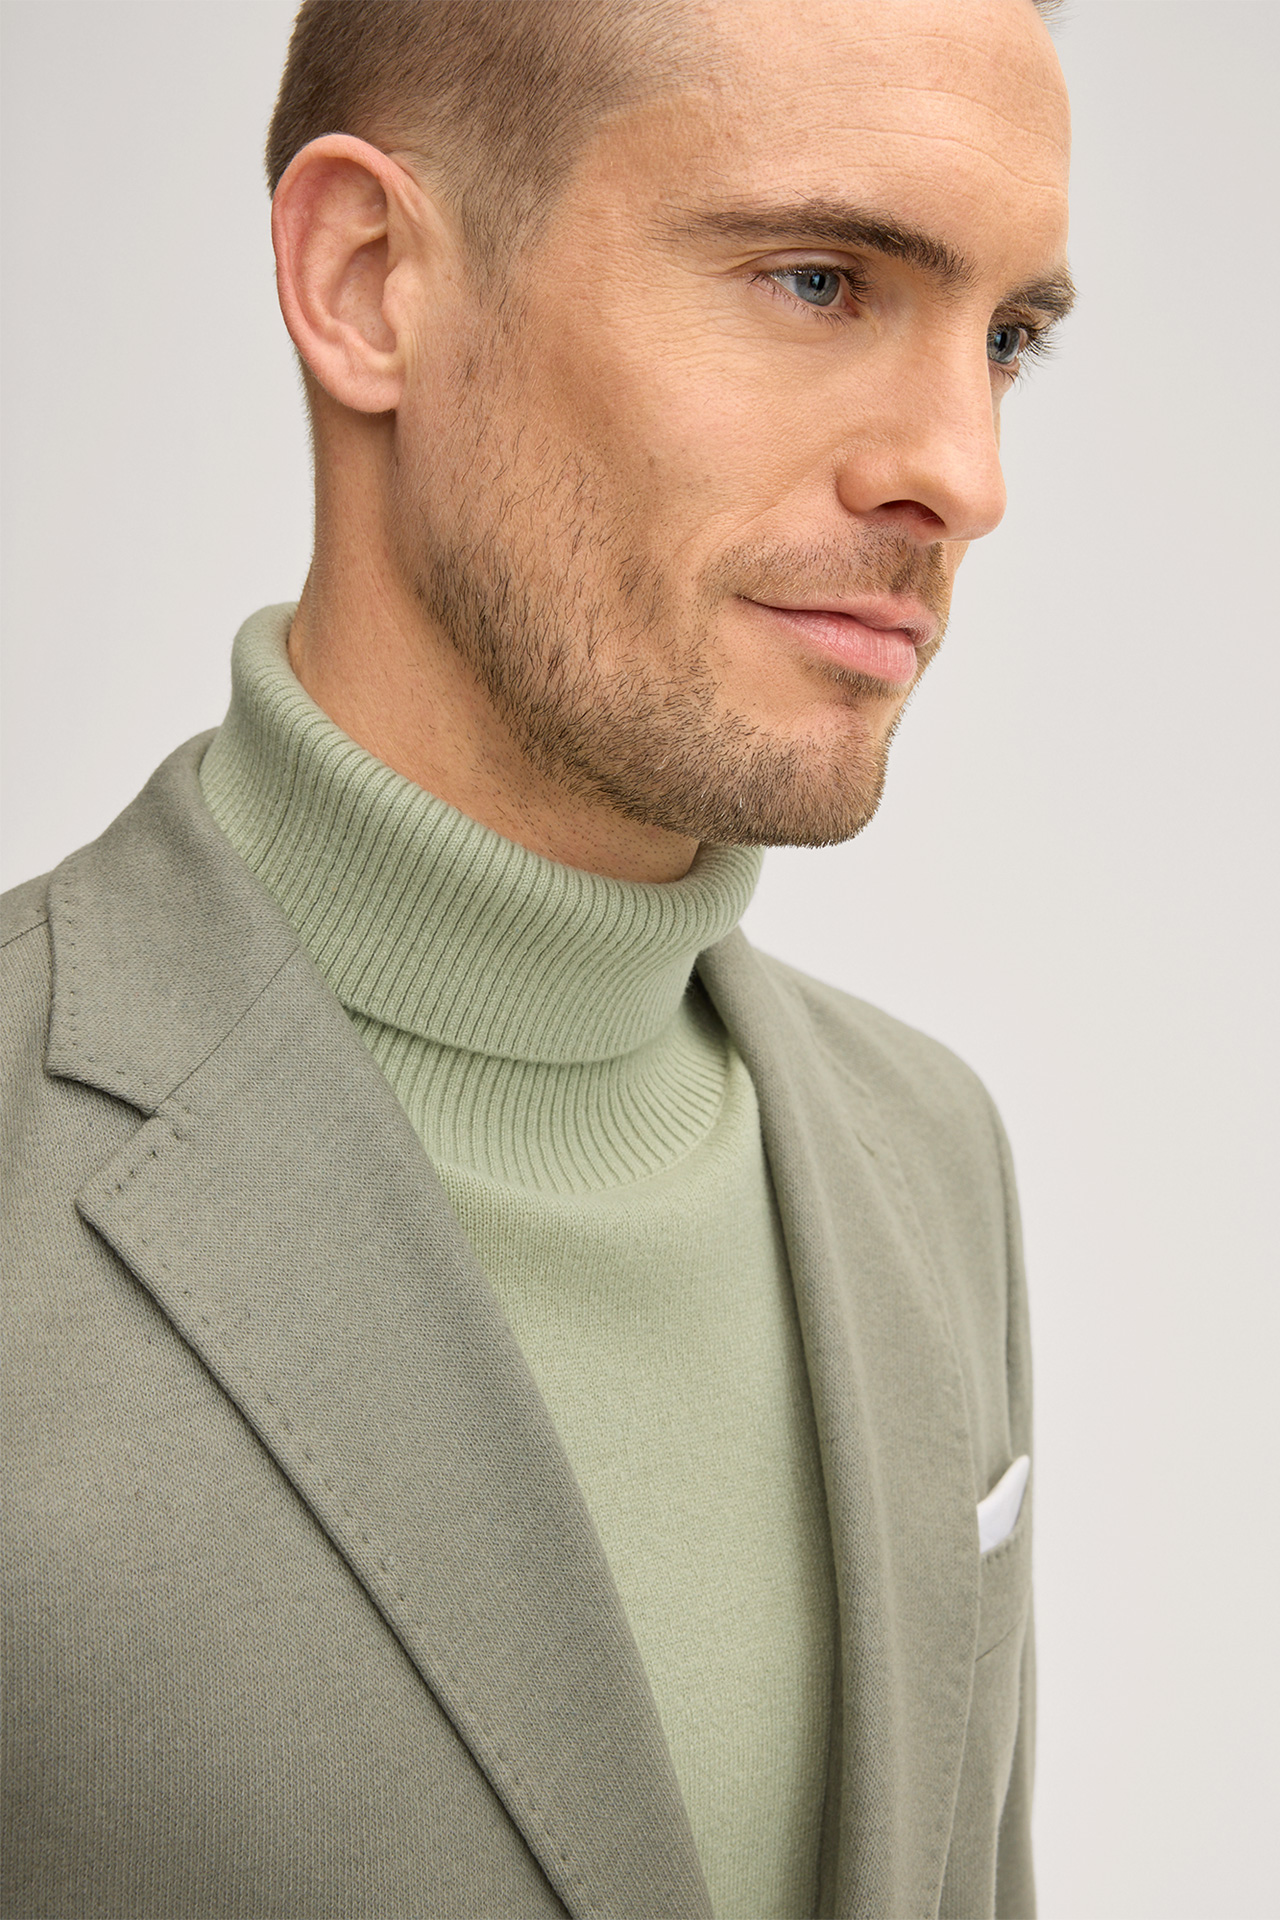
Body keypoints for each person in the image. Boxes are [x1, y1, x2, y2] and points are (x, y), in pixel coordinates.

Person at [1, 0, 1073, 1913]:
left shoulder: (928, 1157)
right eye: (819, 281)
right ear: (369, 280)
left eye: (1006, 337)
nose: (965, 472)